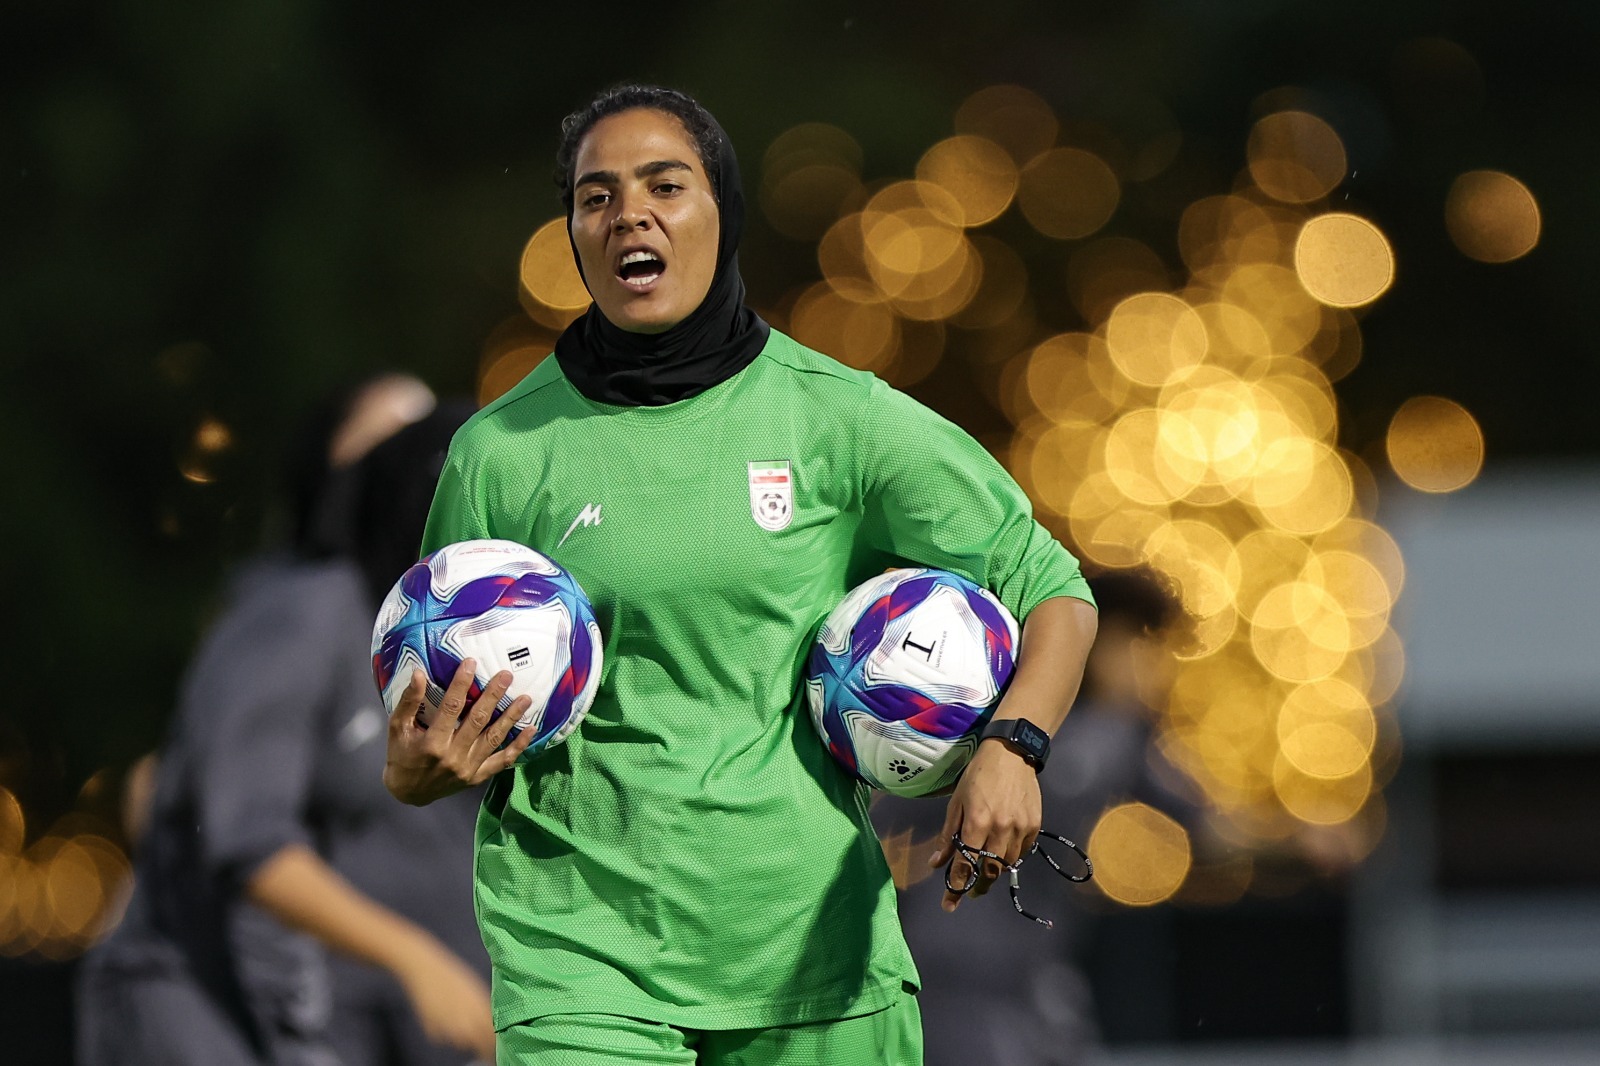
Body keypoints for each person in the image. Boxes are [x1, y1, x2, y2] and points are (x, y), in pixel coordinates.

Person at [380, 84, 1100, 1066]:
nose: (629, 214)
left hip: (814, 961)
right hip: (578, 965)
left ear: (724, 213)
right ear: (574, 234)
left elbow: (1052, 588)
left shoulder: (839, 418)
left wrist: (1015, 746)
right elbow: (429, 695)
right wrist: (415, 774)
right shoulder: (499, 453)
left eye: (664, 186)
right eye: (596, 197)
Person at [77, 378, 497, 1066]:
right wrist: (417, 961)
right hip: (197, 1010)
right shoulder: (302, 609)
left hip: (311, 1016)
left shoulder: (429, 638)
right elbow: (248, 839)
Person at [872, 567, 1208, 1066]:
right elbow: (890, 814)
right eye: (1134, 644)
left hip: (1037, 970)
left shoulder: (1122, 735)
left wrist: (1299, 837)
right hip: (954, 965)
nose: (1147, 668)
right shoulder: (994, 721)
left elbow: (1208, 823)